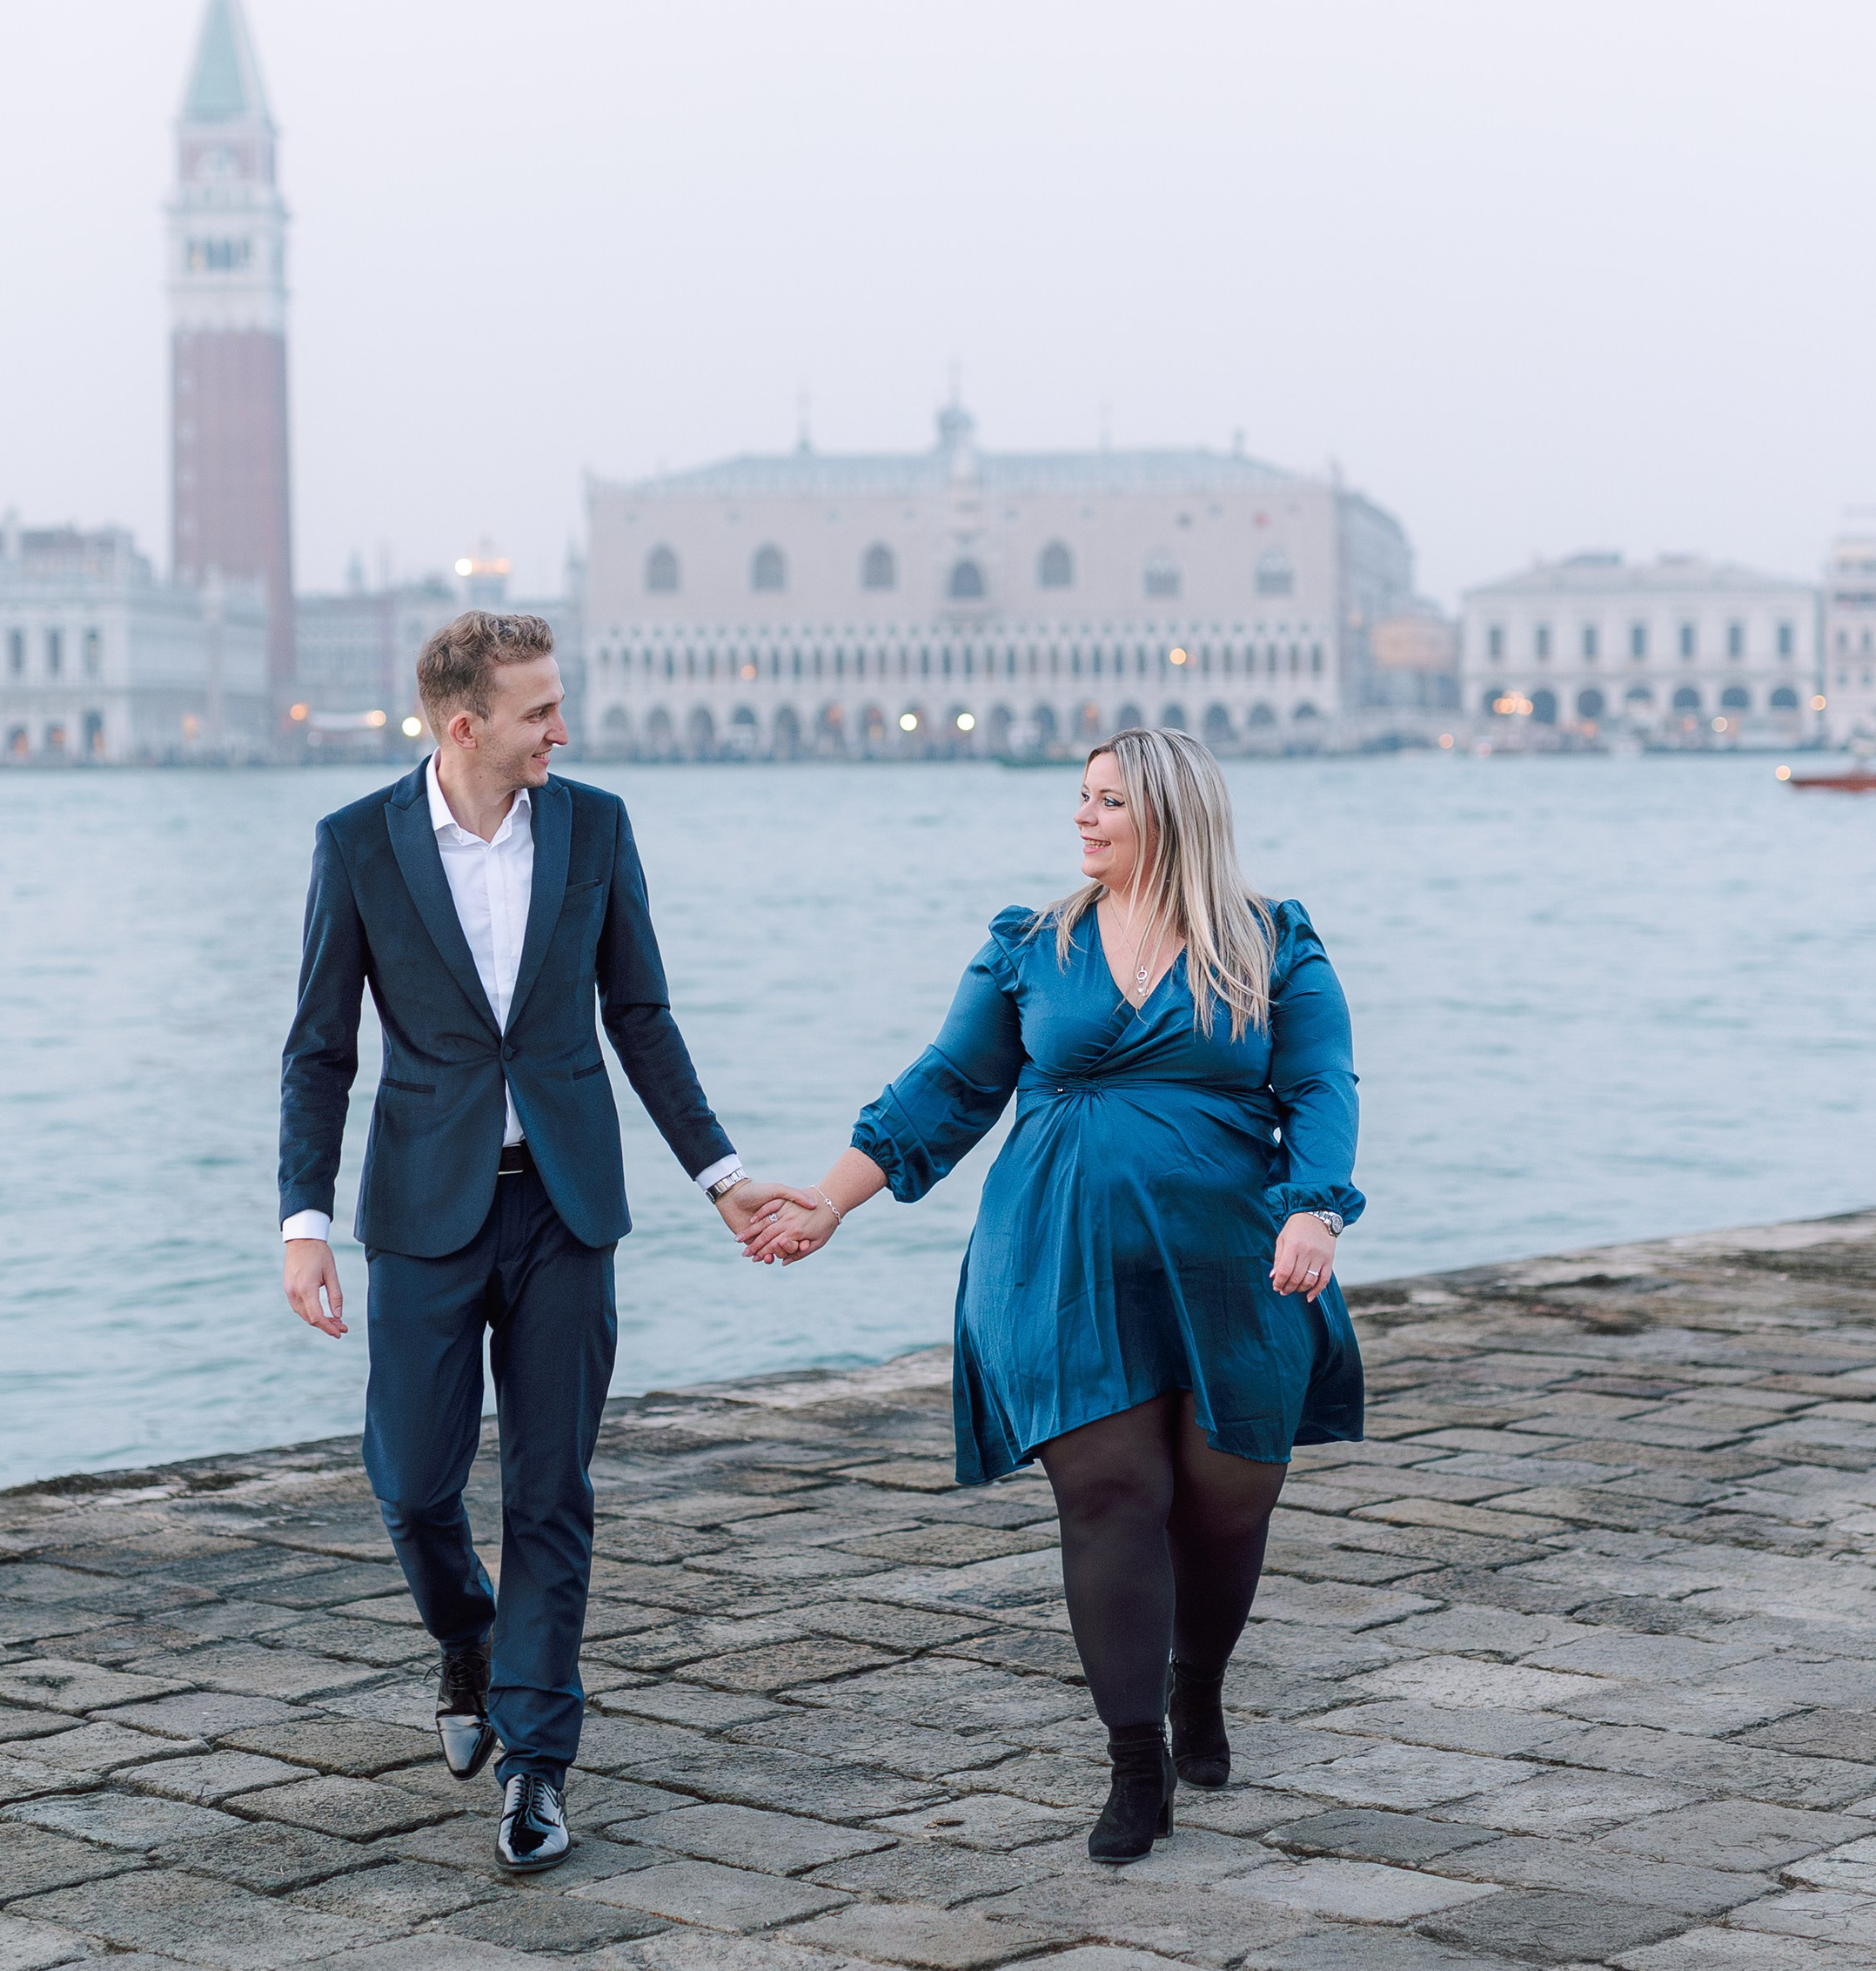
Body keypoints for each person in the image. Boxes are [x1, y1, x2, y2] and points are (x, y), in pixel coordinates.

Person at [744, 727, 1363, 1864]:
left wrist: (1315, 1208)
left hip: (1234, 1261)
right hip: (1056, 1263)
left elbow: (1322, 1084)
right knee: (1109, 1493)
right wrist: (832, 1201)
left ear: (1170, 815)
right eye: (1080, 799)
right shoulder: (1032, 946)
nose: (1082, 818)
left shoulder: (1270, 941)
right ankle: (1136, 1764)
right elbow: (946, 1086)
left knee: (1230, 1497)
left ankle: (1200, 1688)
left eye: (1108, 801)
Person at [278, 610, 765, 1878]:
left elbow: (640, 1015)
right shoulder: (357, 846)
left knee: (551, 1495)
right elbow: (320, 1053)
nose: (564, 727)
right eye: (540, 709)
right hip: (425, 1215)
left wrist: (718, 1173)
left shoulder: (596, 827)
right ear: (465, 725)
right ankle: (468, 1639)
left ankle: (539, 1766)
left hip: (565, 1207)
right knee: (412, 1483)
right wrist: (303, 1224)